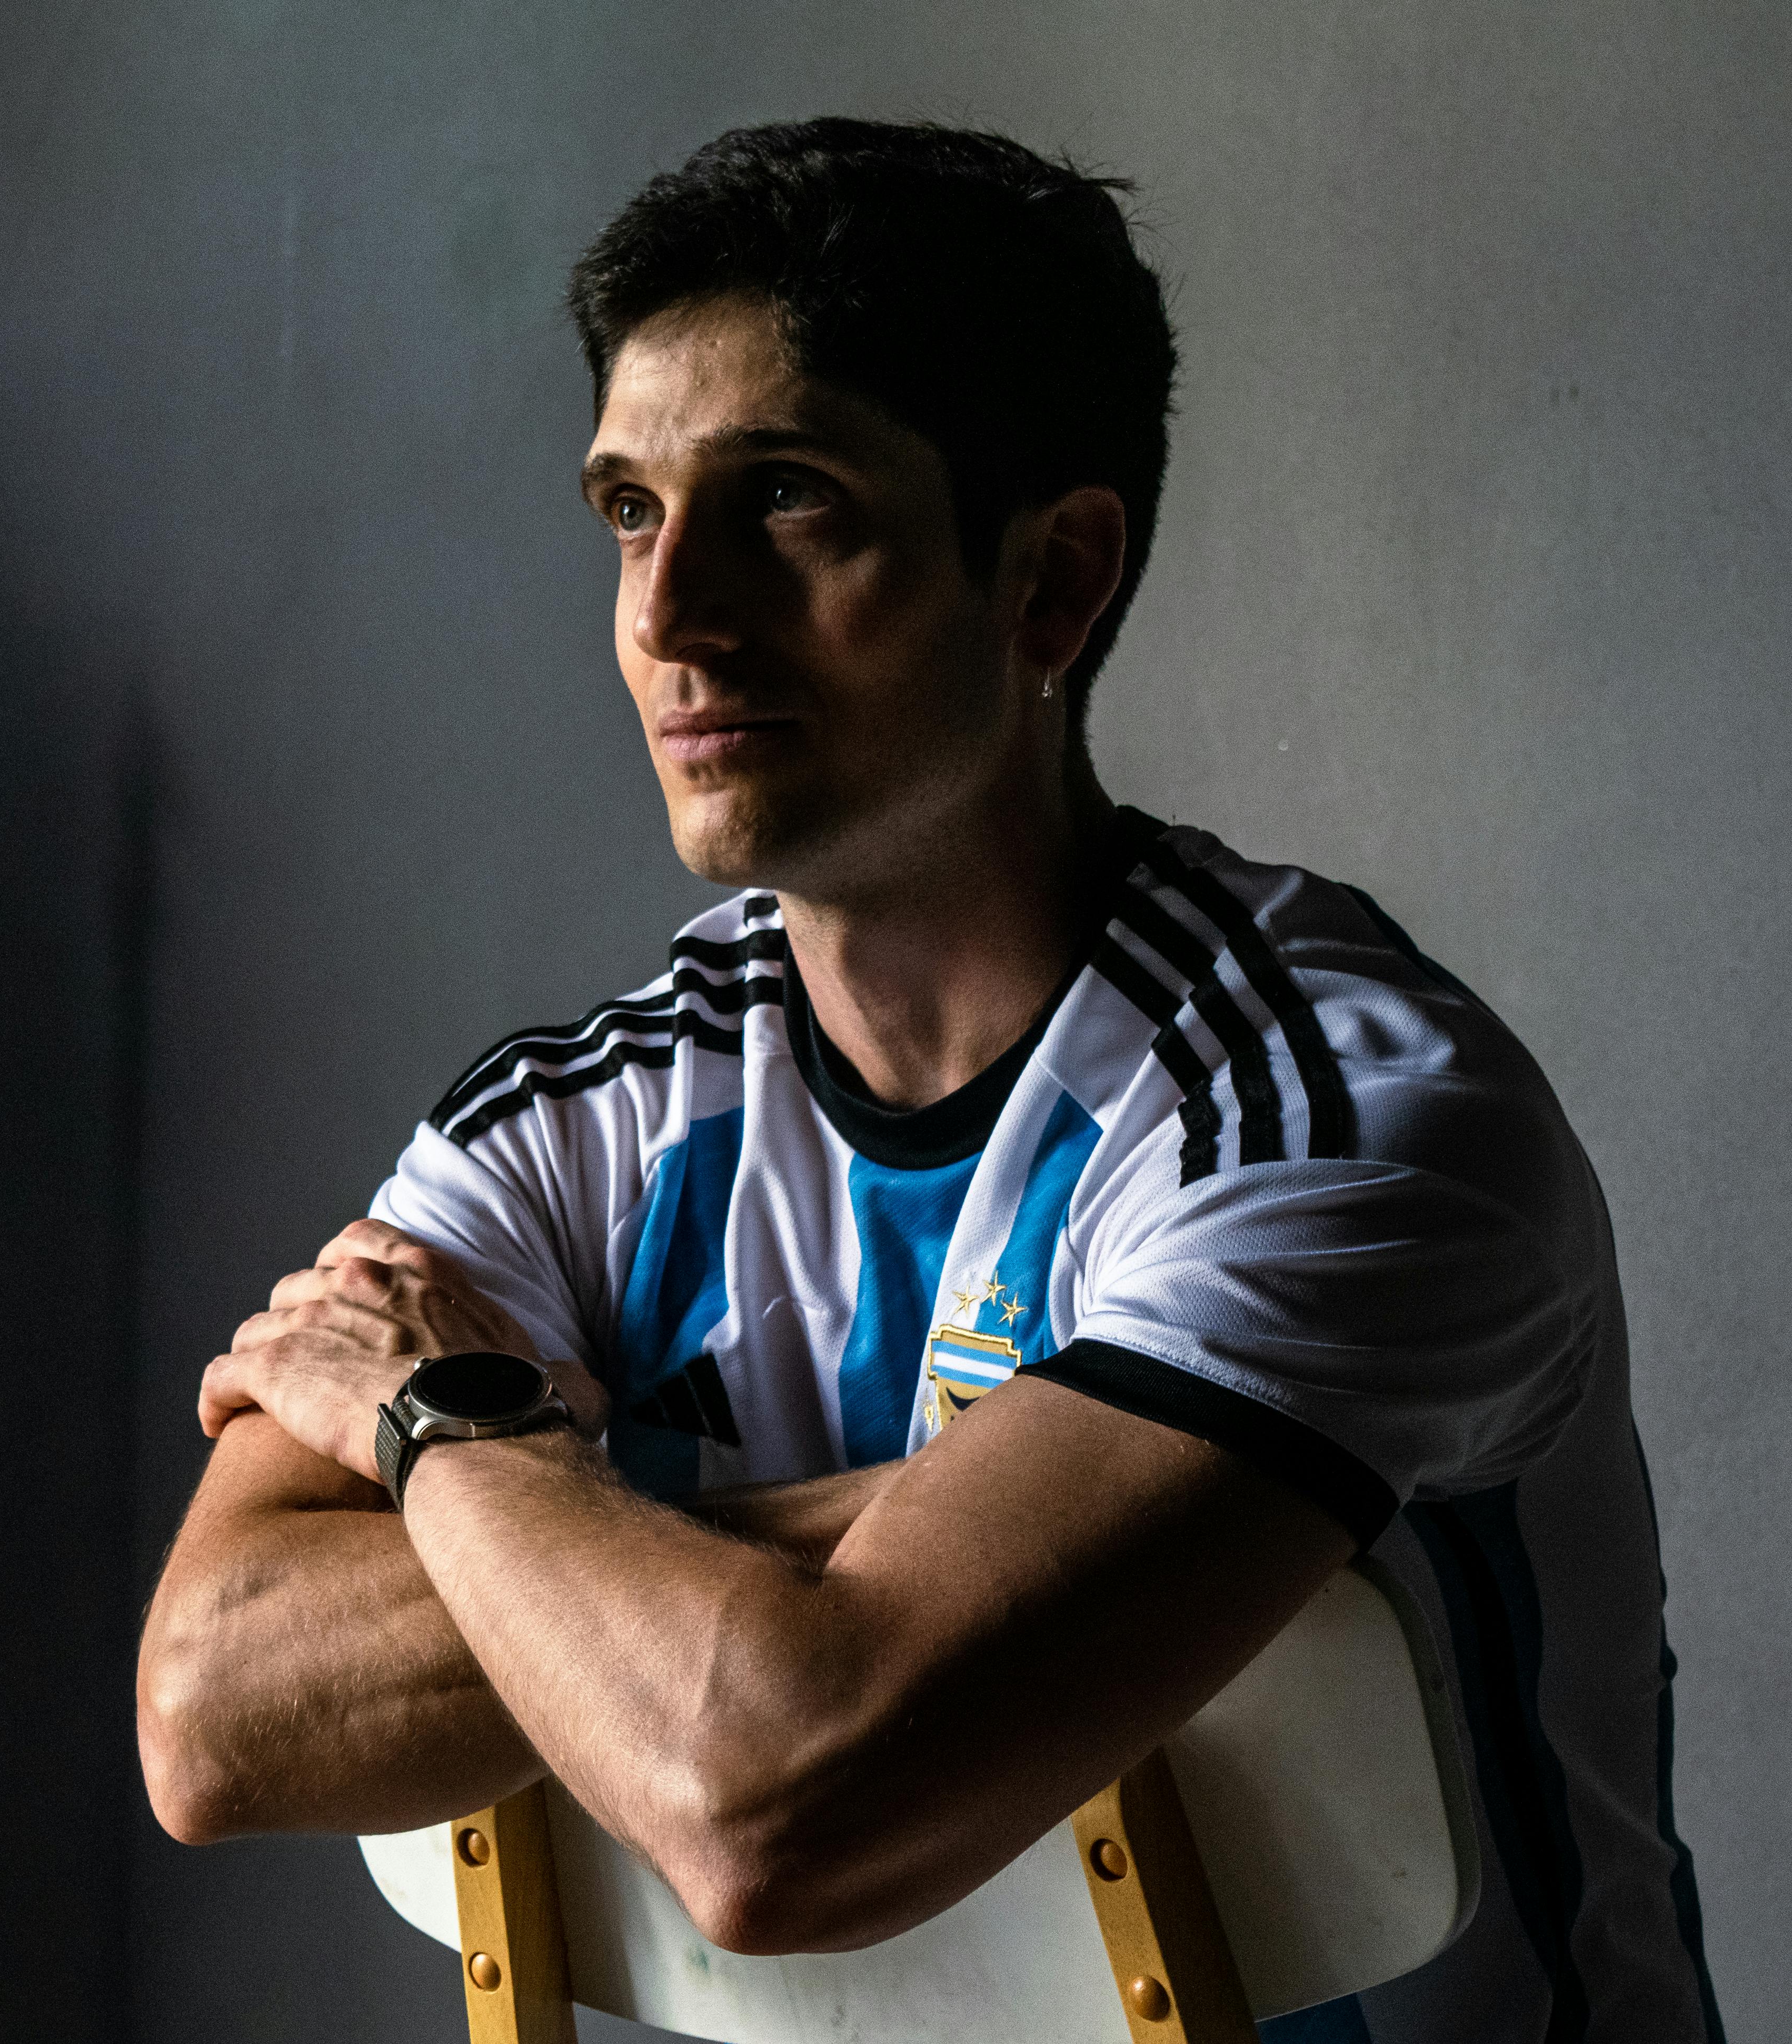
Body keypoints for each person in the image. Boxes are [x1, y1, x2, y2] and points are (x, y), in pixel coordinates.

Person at [134, 119, 1723, 2041]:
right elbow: (209, 1706)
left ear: (1050, 583)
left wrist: (447, 1430)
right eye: (629, 512)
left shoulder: (1341, 1124)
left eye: (787, 502)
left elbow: (777, 1810)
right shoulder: (573, 1128)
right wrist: (867, 1551)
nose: (668, 617)